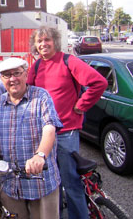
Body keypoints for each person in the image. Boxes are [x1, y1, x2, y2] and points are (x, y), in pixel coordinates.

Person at [27, 26, 107, 219]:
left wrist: (82, 105)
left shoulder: (68, 61)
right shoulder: (36, 66)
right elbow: (27, 92)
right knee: (51, 184)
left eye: (47, 40)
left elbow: (100, 83)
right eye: (39, 41)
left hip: (66, 132)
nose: (43, 44)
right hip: (44, 134)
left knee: (70, 182)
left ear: (55, 41)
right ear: (35, 46)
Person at [0, 57, 63, 219]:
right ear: (1, 80)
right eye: (6, 75)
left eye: (17, 73)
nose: (12, 79)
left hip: (40, 182)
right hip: (11, 184)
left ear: (26, 75)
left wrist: (40, 155)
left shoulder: (41, 97)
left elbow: (49, 128)